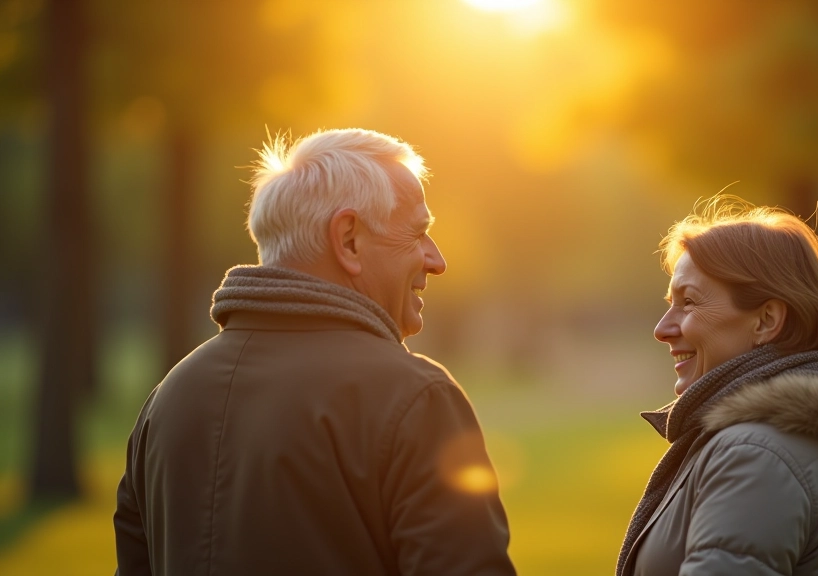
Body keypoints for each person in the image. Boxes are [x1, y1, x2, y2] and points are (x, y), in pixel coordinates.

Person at [113, 128, 517, 576]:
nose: (436, 260)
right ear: (348, 240)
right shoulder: (415, 398)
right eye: (418, 232)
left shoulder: (166, 401)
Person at [616, 196, 818, 576]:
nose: (662, 329)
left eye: (688, 302)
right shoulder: (801, 440)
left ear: (766, 320)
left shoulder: (756, 454)